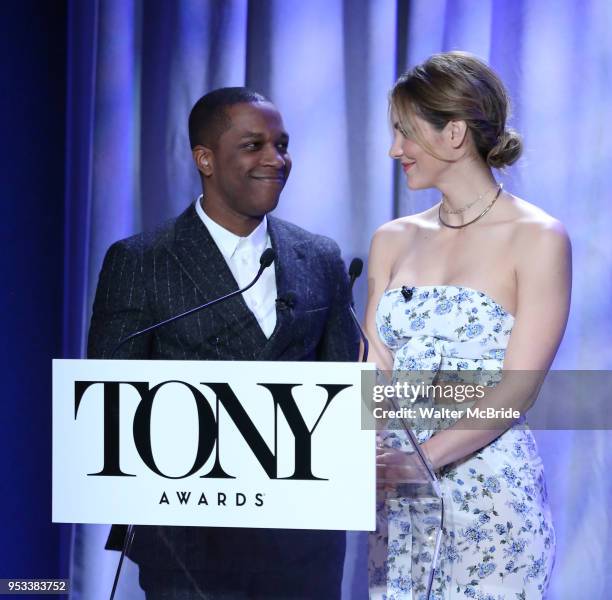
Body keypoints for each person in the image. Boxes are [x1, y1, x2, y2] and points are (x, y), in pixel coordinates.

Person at [87, 87, 359, 599]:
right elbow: (109, 403)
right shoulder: (142, 261)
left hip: (303, 544)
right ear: (205, 159)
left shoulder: (319, 256)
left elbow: (340, 391)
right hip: (187, 544)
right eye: (253, 145)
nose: (275, 159)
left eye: (282, 144)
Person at [365, 52, 569, 598]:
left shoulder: (538, 237)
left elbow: (518, 388)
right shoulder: (391, 239)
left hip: (490, 498)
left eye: (405, 133)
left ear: (453, 133)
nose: (394, 150)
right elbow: (373, 372)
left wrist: (422, 461)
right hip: (400, 500)